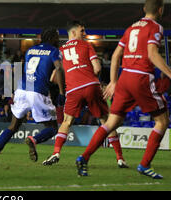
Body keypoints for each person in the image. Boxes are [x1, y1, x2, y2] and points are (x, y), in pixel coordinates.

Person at [75, 0, 171, 179]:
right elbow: (151, 53)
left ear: (144, 9)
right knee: (162, 121)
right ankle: (144, 165)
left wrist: (113, 81)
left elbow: (117, 54)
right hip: (141, 78)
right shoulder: (156, 27)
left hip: (125, 78)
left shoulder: (131, 27)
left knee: (111, 123)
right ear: (160, 10)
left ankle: (84, 158)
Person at [42, 20, 128, 168]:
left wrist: (70, 76)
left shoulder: (60, 51)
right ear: (73, 32)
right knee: (107, 122)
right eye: (82, 31)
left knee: (66, 122)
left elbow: (53, 78)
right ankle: (120, 158)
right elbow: (97, 68)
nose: (85, 33)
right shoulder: (86, 45)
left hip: (73, 90)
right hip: (91, 86)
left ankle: (56, 153)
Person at [0, 26, 65, 166]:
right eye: (57, 37)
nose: (59, 40)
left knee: (13, 126)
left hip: (22, 90)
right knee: (52, 128)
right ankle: (34, 139)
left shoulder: (30, 50)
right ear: (51, 38)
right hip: (38, 91)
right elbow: (58, 68)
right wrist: (62, 92)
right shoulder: (54, 51)